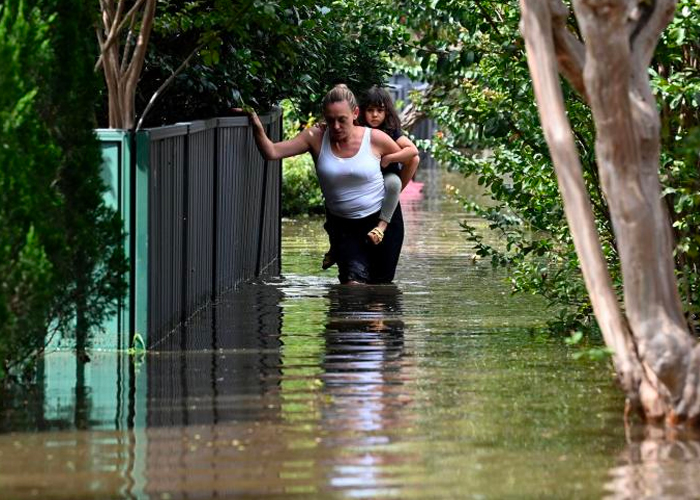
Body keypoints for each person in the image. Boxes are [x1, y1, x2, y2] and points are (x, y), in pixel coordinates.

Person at [239, 84, 406, 284]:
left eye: (342, 120)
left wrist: (398, 188)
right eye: (330, 120)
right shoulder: (315, 137)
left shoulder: (375, 138)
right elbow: (272, 152)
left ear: (355, 113)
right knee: (352, 286)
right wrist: (255, 122)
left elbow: (411, 158)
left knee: (380, 289)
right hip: (345, 226)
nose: (335, 127)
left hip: (382, 222)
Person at [322, 86, 419, 269]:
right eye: (370, 110)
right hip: (358, 183)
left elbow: (413, 152)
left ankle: (381, 227)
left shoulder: (391, 131)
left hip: (385, 175)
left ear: (386, 112)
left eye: (380, 111)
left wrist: (390, 157)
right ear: (361, 111)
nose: (375, 115)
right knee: (331, 199)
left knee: (393, 184)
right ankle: (334, 247)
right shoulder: (358, 128)